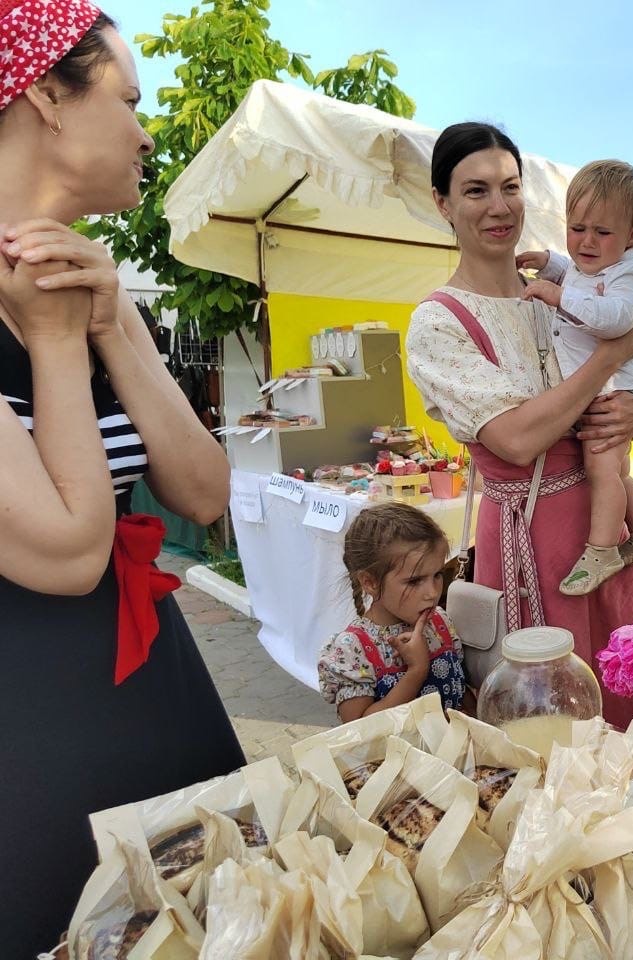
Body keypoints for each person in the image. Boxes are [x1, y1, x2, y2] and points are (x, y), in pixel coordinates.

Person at [0, 4, 244, 954]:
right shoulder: (54, 309)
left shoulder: (94, 282)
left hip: (154, 684)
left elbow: (205, 492)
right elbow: (64, 553)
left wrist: (107, 324)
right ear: (46, 99)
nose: (146, 133)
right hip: (30, 731)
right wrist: (62, 343)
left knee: (216, 919)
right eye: (128, 99)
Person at [404, 122, 633, 727]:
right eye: (475, 191)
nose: (499, 207)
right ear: (442, 203)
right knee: (549, 722)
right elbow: (516, 439)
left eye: (510, 187)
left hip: (601, 532)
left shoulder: (566, 293)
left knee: (628, 709)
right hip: (528, 536)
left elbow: (621, 388)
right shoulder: (438, 324)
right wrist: (608, 357)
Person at [516, 159, 633, 596]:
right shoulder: (594, 267)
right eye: (577, 227)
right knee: (617, 473)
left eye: (602, 233)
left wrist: (556, 295)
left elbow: (613, 318)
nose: (587, 241)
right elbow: (579, 273)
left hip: (614, 391)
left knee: (602, 471)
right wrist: (550, 264)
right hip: (606, 388)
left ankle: (601, 551)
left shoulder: (631, 277)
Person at [319, 501, 467, 718]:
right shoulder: (352, 650)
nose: (432, 592)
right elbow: (359, 730)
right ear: (370, 582)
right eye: (415, 581)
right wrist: (416, 671)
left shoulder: (440, 623)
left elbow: (462, 691)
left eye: (437, 575)